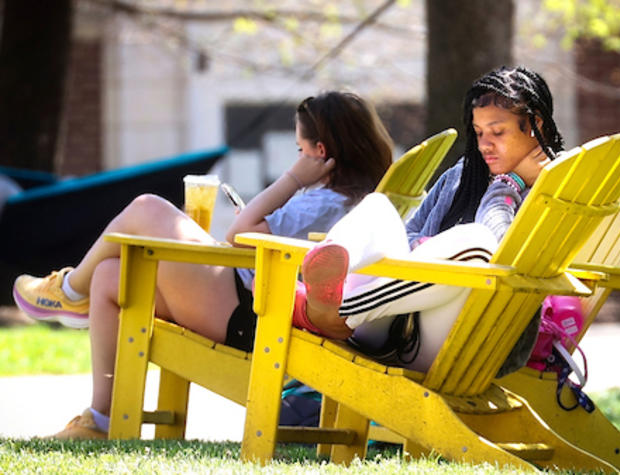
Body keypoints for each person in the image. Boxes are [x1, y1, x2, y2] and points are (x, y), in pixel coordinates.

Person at [11, 91, 393, 439]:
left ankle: (68, 291)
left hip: (252, 316)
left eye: (299, 150)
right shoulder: (358, 200)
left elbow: (240, 234)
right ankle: (101, 418)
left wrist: (293, 179)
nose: (297, 158)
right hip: (252, 305)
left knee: (148, 207)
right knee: (112, 279)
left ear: (320, 153)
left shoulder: (323, 202)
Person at [295, 66, 565, 374]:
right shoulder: (463, 174)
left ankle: (335, 312)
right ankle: (325, 296)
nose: (485, 145)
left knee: (477, 243)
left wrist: (509, 184)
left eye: (498, 132)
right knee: (379, 207)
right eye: (479, 133)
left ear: (535, 125)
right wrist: (430, 251)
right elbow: (410, 234)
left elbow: (505, 259)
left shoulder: (553, 193)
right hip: (389, 326)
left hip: (461, 347)